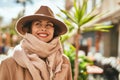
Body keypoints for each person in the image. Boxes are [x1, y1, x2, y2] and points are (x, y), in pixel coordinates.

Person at [0, 5, 72, 80]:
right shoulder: (8, 64)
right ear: (30, 29)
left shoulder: (64, 62)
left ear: (54, 31)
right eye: (38, 24)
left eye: (49, 25)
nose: (43, 28)